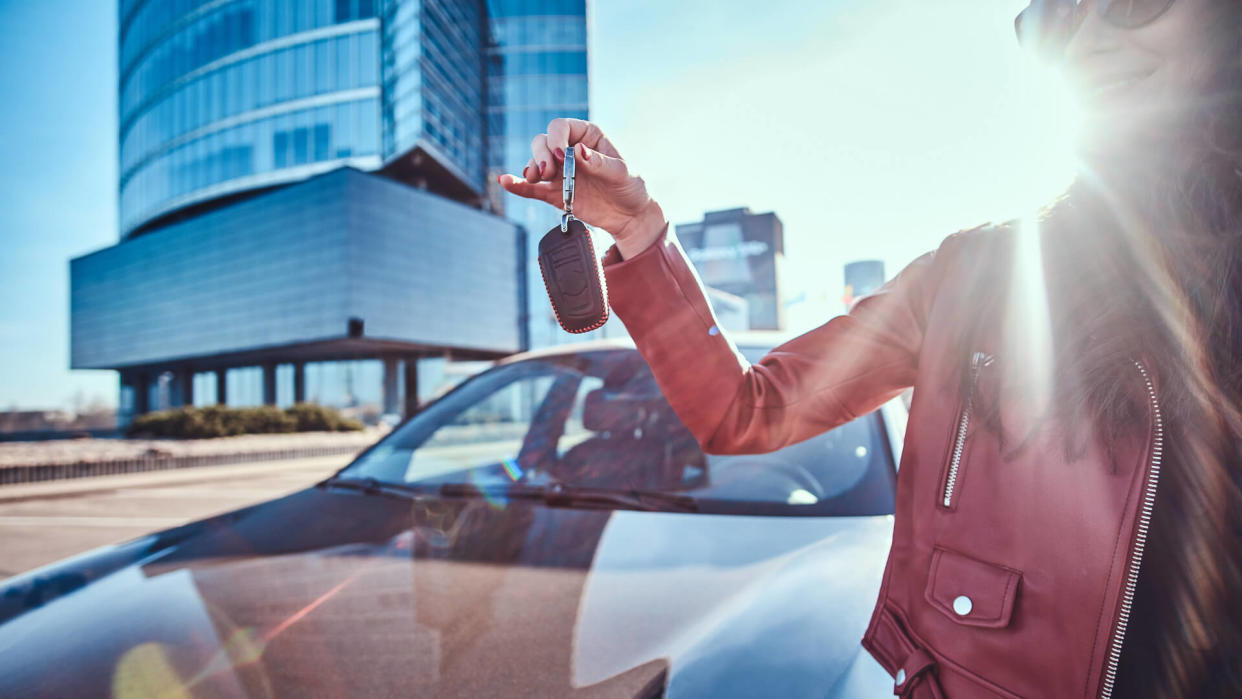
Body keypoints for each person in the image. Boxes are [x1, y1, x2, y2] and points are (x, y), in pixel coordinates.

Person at [499, 0, 1241, 695]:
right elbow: (746, 412)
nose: (1086, 38)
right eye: (1053, 17)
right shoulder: (972, 279)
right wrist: (636, 229)